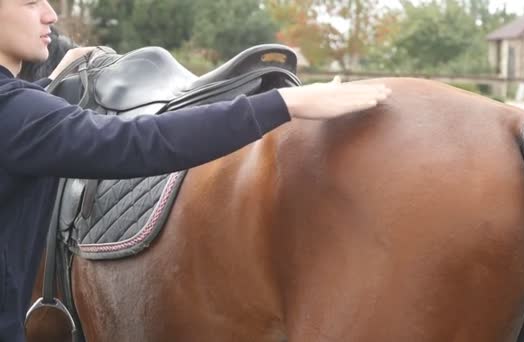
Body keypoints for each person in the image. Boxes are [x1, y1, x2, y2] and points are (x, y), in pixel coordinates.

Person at [0, 0, 390, 340]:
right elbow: (137, 142)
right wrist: (284, 103)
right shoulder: (14, 114)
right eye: (31, 2)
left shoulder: (18, 113)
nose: (50, 14)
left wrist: (46, 87)